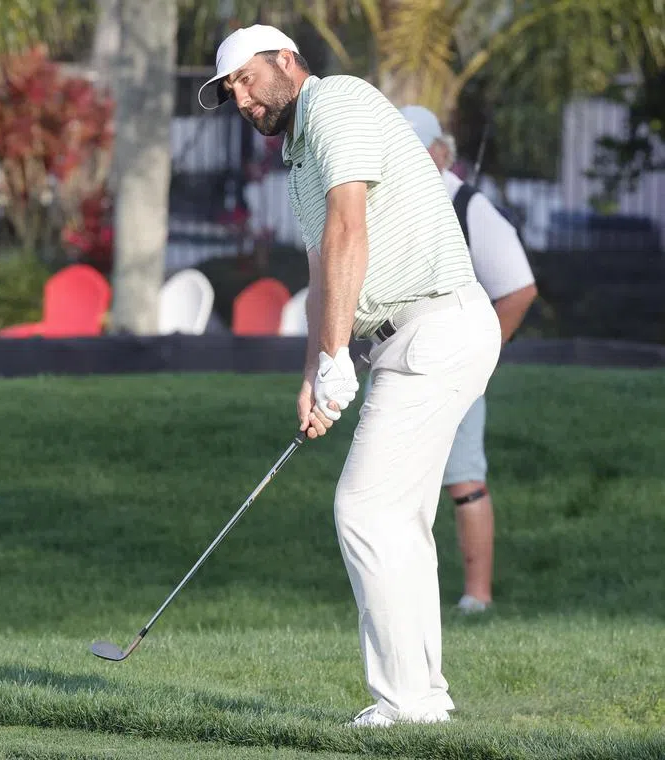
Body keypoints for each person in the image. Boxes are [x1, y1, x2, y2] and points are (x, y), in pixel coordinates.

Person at [197, 25, 502, 727]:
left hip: (438, 325)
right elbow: (321, 269)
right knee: (398, 521)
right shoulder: (299, 155)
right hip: (411, 339)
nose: (242, 99)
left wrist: (338, 355)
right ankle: (424, 698)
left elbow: (348, 231)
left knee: (363, 510)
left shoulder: (336, 102)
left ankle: (405, 703)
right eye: (231, 90)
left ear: (286, 60)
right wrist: (315, 369)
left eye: (247, 79)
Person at [400, 105, 539, 614]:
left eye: (418, 151)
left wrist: (481, 353)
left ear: (442, 152)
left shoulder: (469, 207)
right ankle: (403, 596)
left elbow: (520, 289)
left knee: (463, 480)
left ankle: (477, 597)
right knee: (395, 487)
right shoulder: (389, 203)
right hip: (398, 359)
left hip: (456, 366)